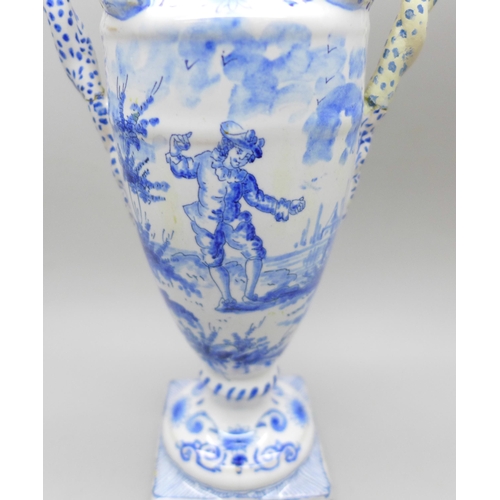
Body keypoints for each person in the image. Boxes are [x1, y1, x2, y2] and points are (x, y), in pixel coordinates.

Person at [165, 121, 305, 310]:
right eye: (238, 152)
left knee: (254, 251)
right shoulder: (205, 161)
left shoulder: (244, 178)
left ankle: (250, 295)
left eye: (246, 157)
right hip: (207, 222)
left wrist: (283, 207)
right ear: (227, 147)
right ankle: (227, 298)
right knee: (213, 260)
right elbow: (184, 168)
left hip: (234, 220)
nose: (241, 159)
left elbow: (258, 199)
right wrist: (175, 152)